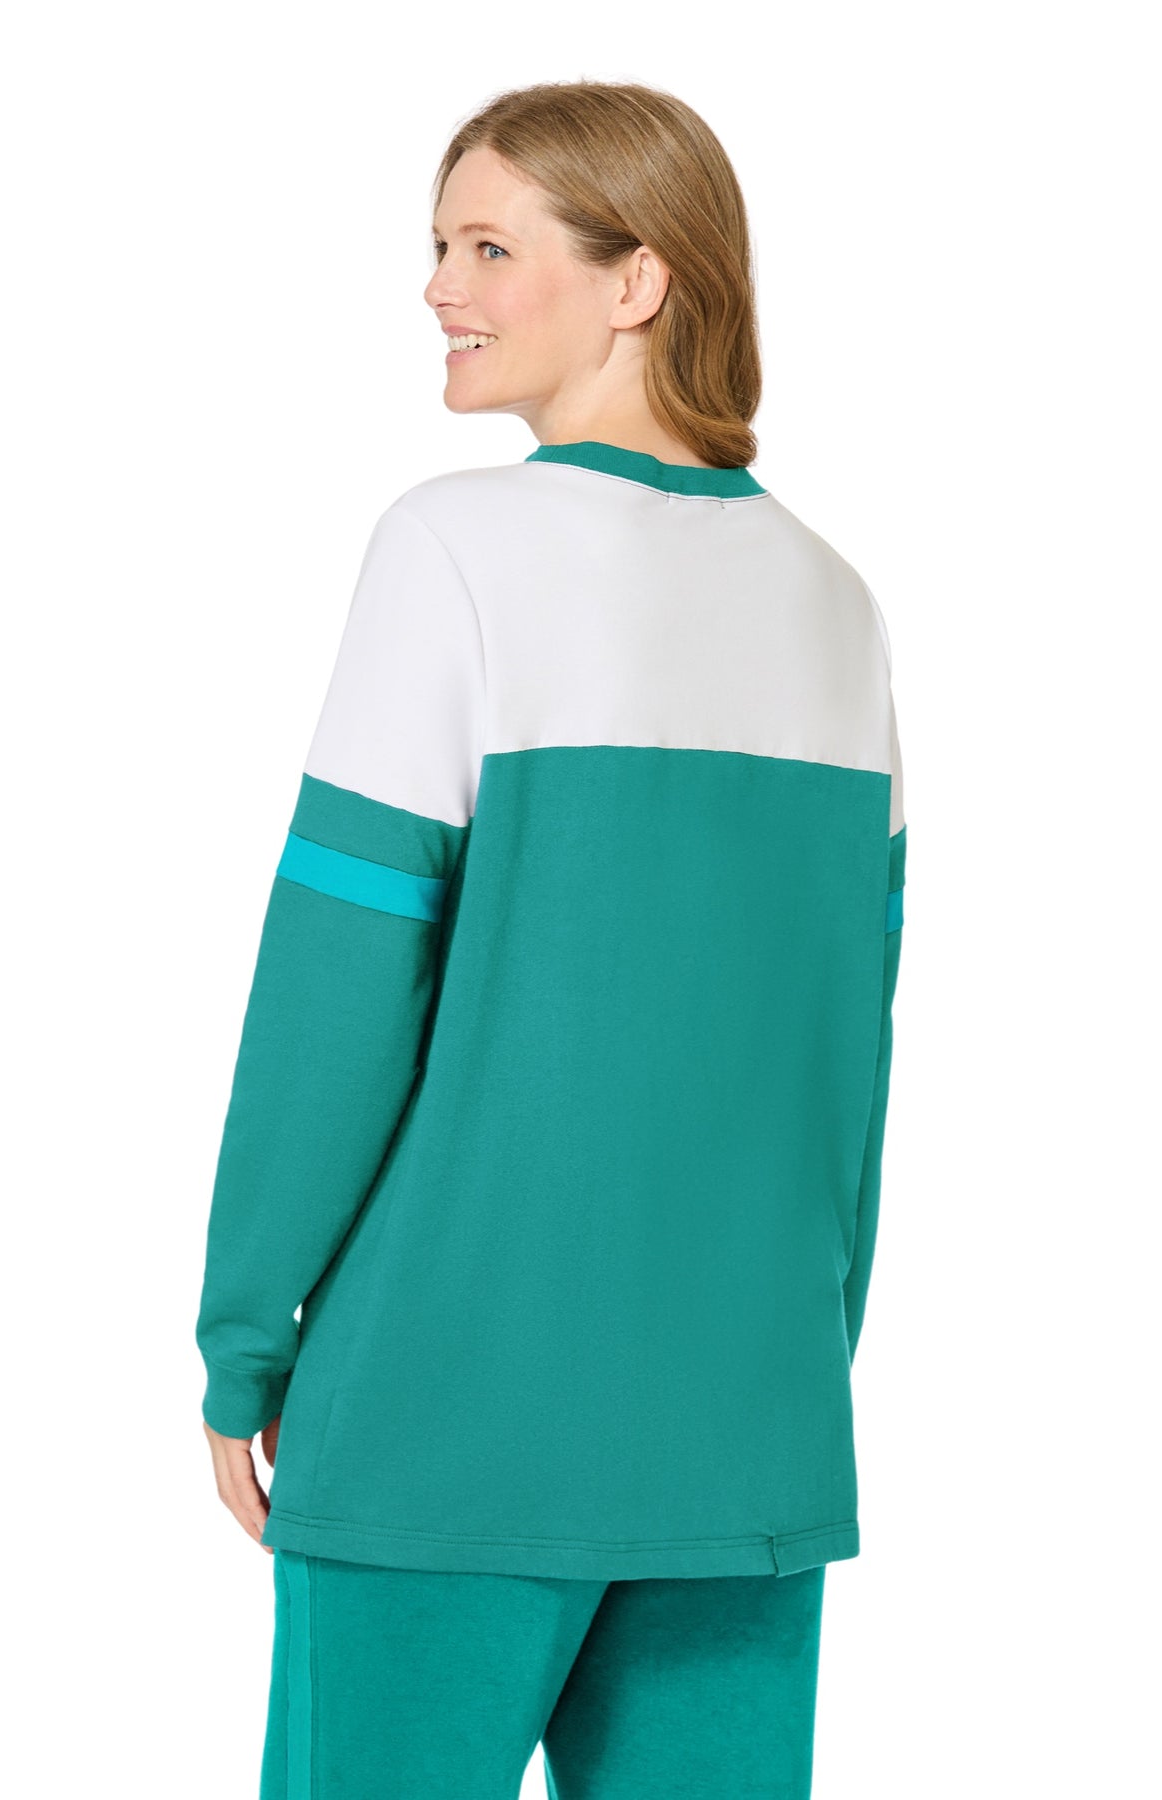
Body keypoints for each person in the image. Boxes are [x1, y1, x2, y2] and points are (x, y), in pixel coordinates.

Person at [195, 79, 906, 1800]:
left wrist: (245, 1337)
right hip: (745, 1435)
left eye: (490, 247)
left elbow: (339, 983)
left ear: (638, 280)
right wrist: (788, 1372)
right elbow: (844, 1072)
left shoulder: (456, 546)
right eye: (441, 245)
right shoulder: (838, 603)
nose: (440, 285)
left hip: (447, 1417)